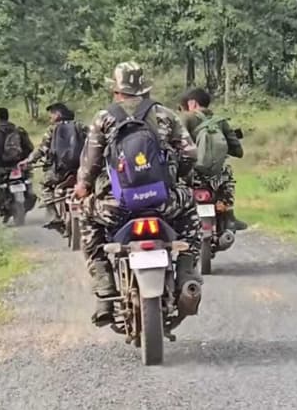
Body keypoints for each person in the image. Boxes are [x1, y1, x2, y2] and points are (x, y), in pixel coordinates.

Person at [73, 61, 203, 327]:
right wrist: (176, 179)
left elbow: (90, 163)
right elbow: (190, 154)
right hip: (163, 201)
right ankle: (186, 272)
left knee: (85, 214)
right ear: (144, 88)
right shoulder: (165, 114)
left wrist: (83, 188)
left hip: (117, 206)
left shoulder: (103, 118)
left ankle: (104, 286)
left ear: (116, 90)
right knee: (190, 207)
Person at [179, 88, 248, 231]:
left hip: (193, 175)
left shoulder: (186, 118)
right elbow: (238, 152)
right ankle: (229, 215)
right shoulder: (221, 122)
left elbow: (176, 142)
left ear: (192, 103)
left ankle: (180, 218)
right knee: (227, 171)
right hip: (216, 176)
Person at [21, 103, 87, 229]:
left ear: (58, 114)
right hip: (80, 170)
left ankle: (55, 216)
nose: (50, 117)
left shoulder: (53, 129)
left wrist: (28, 161)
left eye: (51, 114)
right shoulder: (80, 126)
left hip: (59, 172)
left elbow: (42, 149)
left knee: (45, 186)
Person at [0, 107, 35, 213]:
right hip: (19, 165)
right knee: (28, 174)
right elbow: (30, 147)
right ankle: (29, 192)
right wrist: (22, 159)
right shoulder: (18, 130)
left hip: (2, 167)